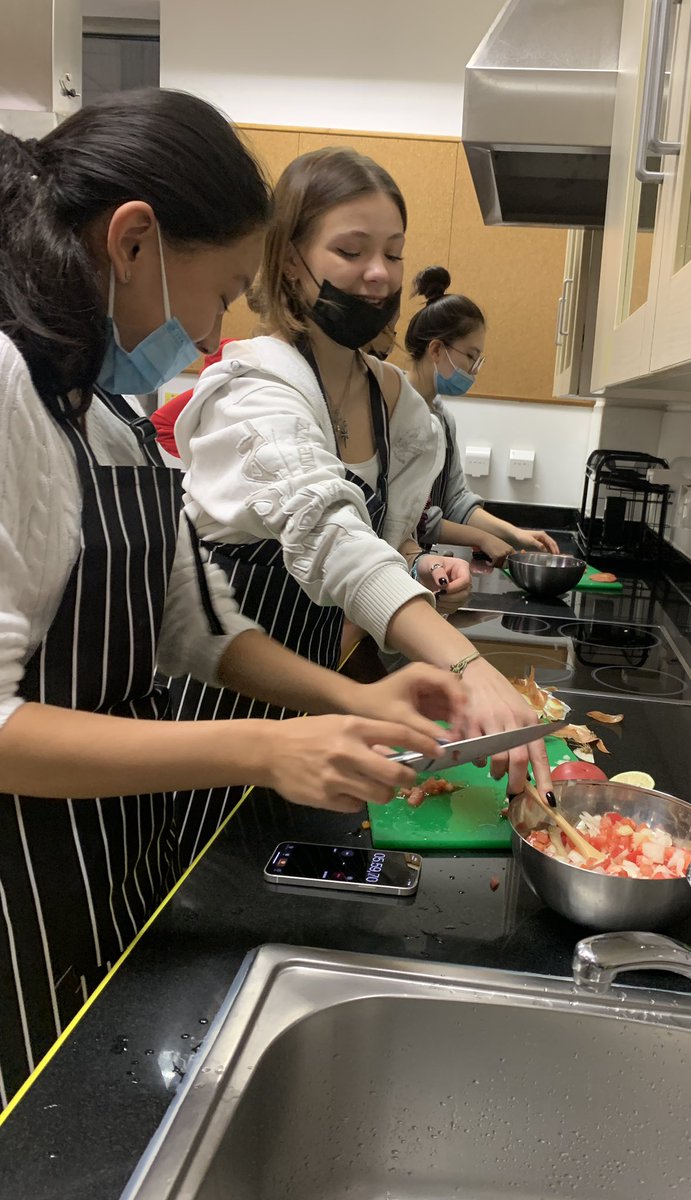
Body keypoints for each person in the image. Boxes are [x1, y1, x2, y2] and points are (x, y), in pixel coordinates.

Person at [0, 90, 464, 1107]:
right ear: (132, 242)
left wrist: (354, 698)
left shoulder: (108, 414)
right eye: (218, 292)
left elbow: (193, 622)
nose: (215, 327)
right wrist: (261, 748)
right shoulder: (5, 394)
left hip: (118, 860)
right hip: (20, 890)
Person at [170, 147, 552, 851]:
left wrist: (418, 567)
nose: (379, 274)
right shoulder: (255, 389)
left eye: (394, 253)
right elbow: (327, 534)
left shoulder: (395, 405)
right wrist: (465, 662)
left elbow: (380, 543)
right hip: (223, 715)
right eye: (351, 251)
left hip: (326, 706)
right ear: (290, 260)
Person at [404, 266, 560, 565]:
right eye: (470, 356)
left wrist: (515, 534)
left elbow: (455, 500)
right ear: (436, 350)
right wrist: (481, 538)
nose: (474, 370)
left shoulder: (443, 419)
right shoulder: (394, 409)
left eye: (478, 360)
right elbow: (411, 516)